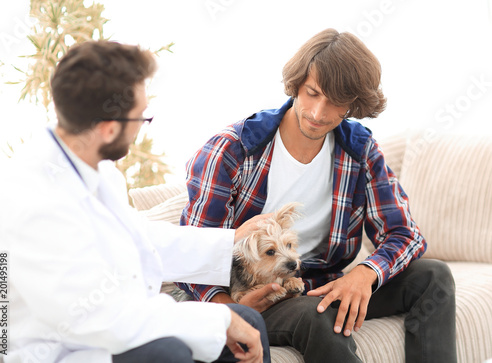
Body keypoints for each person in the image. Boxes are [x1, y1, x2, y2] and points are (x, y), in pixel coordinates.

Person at [177, 28, 457, 362]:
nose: (318, 112)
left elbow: (404, 234)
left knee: (433, 277)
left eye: (336, 102)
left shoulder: (359, 150)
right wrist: (229, 310)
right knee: (318, 317)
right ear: (296, 84)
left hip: (319, 284)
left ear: (352, 105)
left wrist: (365, 274)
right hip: (253, 295)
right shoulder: (233, 150)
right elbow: (191, 253)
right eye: (312, 93)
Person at [0, 41, 272, 363]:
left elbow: (140, 238)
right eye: (141, 118)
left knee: (247, 321)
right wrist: (219, 319)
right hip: (59, 346)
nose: (142, 127)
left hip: (107, 327)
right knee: (169, 352)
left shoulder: (95, 169)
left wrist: (232, 240)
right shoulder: (32, 197)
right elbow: (94, 317)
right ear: (109, 128)